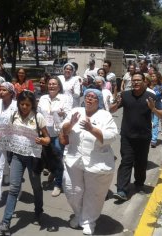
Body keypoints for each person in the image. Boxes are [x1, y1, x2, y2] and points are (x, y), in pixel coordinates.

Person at [0, 91, 50, 235]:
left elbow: (48, 139)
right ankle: (5, 223)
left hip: (34, 159)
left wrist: (42, 140)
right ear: (18, 103)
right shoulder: (13, 115)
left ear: (32, 105)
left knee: (36, 187)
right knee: (13, 189)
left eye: (27, 105)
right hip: (17, 156)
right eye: (22, 104)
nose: (24, 107)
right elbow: (8, 133)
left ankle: (38, 212)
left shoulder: (38, 117)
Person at [61, 89, 118, 235]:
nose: (89, 99)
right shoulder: (76, 110)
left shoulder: (104, 115)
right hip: (73, 158)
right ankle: (79, 215)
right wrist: (72, 123)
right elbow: (64, 130)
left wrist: (92, 129)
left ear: (98, 101)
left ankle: (88, 221)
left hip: (96, 161)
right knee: (71, 189)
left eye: (93, 97)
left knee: (94, 194)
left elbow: (112, 136)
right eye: (87, 96)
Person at [110, 72, 162, 201]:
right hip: (127, 135)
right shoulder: (125, 95)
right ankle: (122, 189)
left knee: (141, 162)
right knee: (126, 161)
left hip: (143, 136)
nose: (136, 83)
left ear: (145, 82)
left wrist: (153, 109)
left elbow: (161, 115)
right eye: (134, 80)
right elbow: (112, 109)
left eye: (139, 80)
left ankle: (139, 184)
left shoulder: (151, 96)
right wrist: (116, 103)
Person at [37, 77, 72, 197]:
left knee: (58, 158)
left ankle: (58, 184)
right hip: (45, 133)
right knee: (47, 158)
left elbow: (69, 115)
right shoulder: (43, 98)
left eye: (54, 84)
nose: (51, 86)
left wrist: (63, 114)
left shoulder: (65, 98)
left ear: (59, 87)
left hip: (58, 133)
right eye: (50, 84)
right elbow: (38, 114)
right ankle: (54, 173)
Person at [149, 72, 162, 148]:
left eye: (154, 76)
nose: (152, 77)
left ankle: (153, 140)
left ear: (157, 77)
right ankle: (147, 137)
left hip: (157, 105)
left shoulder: (161, 86)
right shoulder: (148, 85)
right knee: (148, 122)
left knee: (155, 123)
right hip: (148, 104)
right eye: (151, 76)